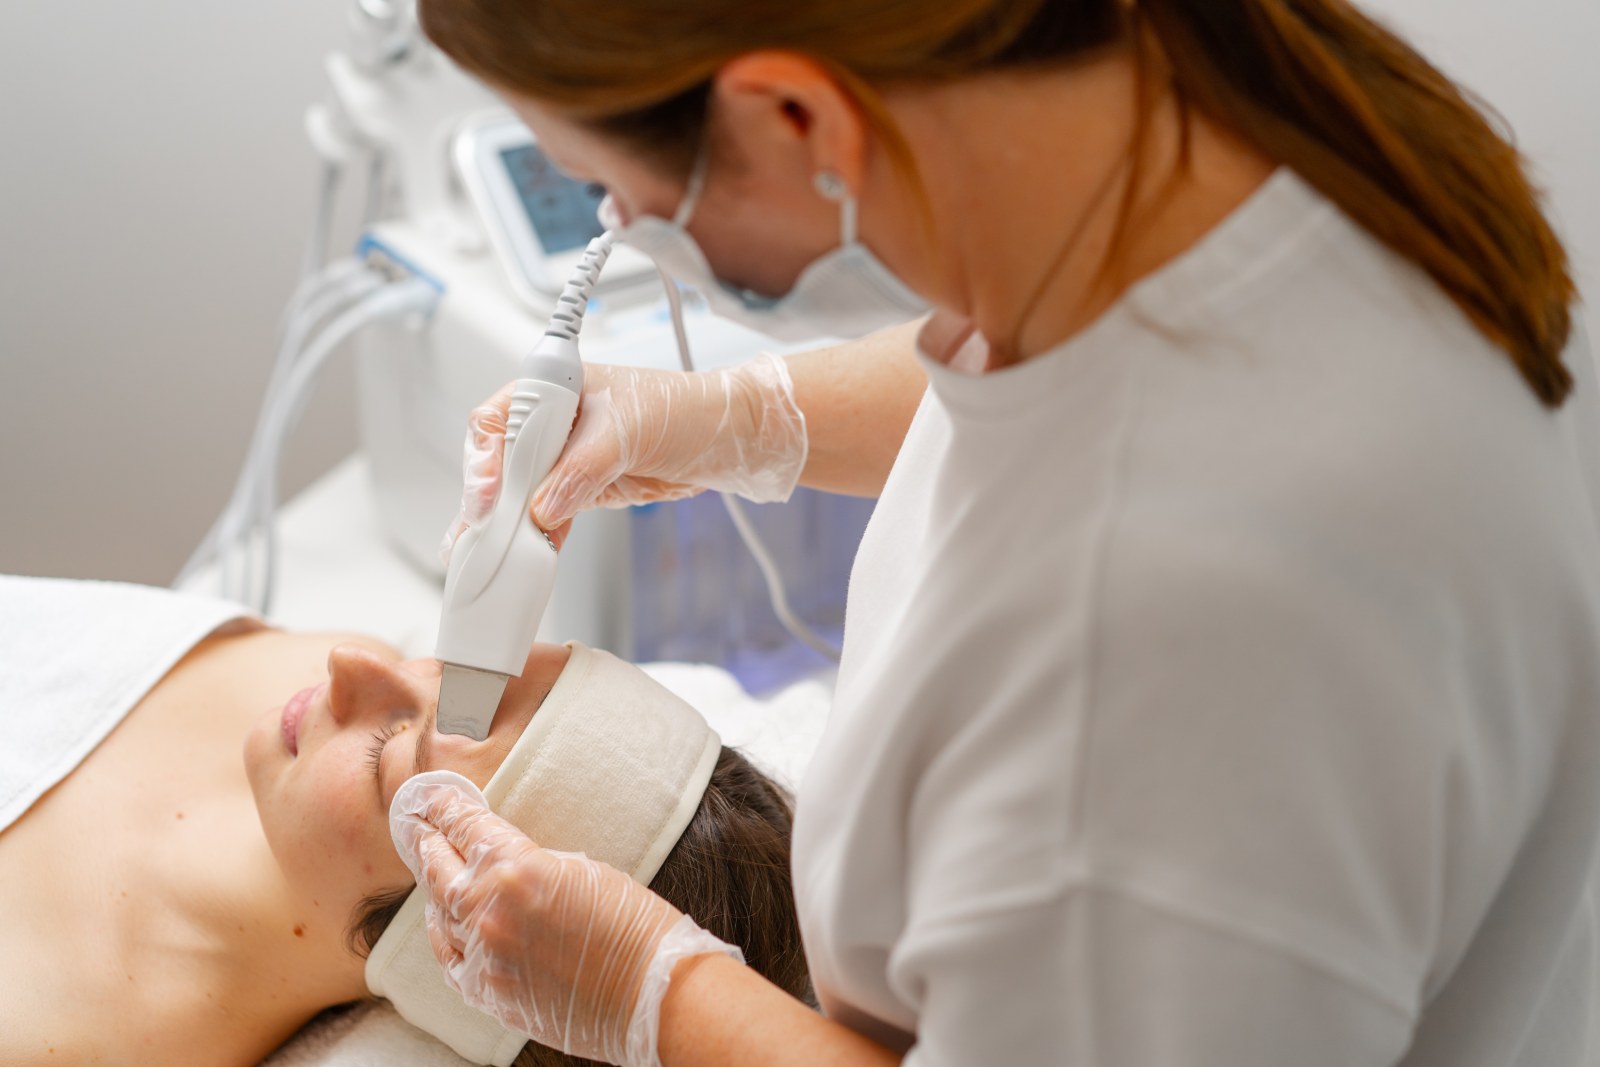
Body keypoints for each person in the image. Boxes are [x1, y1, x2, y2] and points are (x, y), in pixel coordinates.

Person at [393, 1, 1600, 1065]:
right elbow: (1065, 381)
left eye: (625, 193)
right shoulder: (1216, 127)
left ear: (796, 118)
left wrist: (654, 994)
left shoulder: (1164, 678)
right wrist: (728, 418)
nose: (619, 221)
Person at [0, 577, 809, 1067]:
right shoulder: (297, 696)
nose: (355, 664)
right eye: (458, 667)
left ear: (450, 947)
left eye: (390, 751)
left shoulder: (60, 1038)